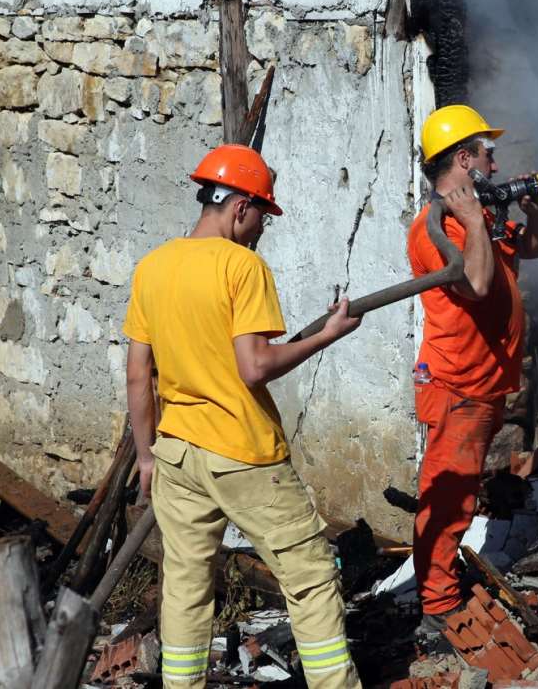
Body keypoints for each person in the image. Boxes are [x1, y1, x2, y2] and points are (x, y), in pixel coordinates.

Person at [123, 144, 363, 689]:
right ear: (239, 208)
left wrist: (145, 457)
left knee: (185, 584)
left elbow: (140, 375)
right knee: (308, 575)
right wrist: (325, 336)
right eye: (261, 217)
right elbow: (254, 367)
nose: (261, 230)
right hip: (242, 451)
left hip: (176, 452)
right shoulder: (242, 266)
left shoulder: (153, 266)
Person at [407, 105, 538, 641]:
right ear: (464, 159)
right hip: (456, 384)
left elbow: (531, 247)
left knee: (463, 491)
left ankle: (442, 587)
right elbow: (476, 285)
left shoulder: (482, 216)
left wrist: (534, 212)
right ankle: (438, 605)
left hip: (485, 381)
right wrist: (472, 224)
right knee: (449, 495)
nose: (496, 160)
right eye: (486, 151)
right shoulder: (434, 228)